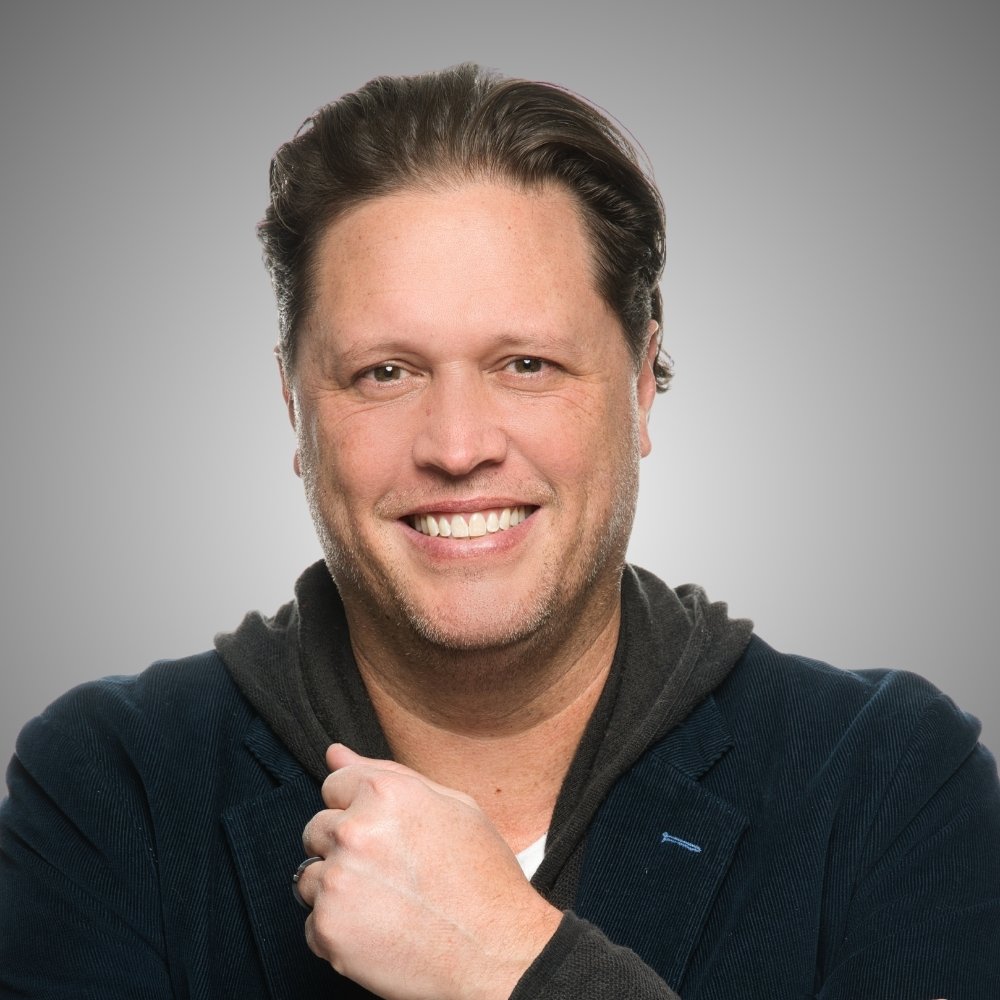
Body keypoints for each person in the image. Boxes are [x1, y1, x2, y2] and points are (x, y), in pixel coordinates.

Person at [1, 63, 998, 1000]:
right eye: (384, 371)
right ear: (293, 405)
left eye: (525, 363)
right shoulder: (111, 785)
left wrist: (511, 962)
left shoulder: (888, 778)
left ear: (643, 382)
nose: (457, 444)